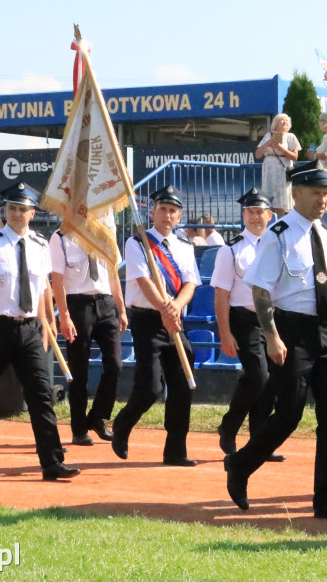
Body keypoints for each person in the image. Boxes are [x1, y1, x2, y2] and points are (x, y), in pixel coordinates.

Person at [224, 160, 327, 521]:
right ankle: (241, 465)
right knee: (289, 414)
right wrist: (271, 337)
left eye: (326, 192)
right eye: (316, 192)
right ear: (295, 193)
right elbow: (260, 290)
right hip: (292, 333)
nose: (323, 199)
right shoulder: (278, 234)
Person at [0, 182, 78, 481]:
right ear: (4, 211)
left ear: (32, 213)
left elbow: (43, 286)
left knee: (41, 395)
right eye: (12, 209)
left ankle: (51, 462)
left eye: (23, 209)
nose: (17, 214)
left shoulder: (40, 244)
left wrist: (48, 319)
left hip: (30, 329)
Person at [111, 185, 200, 466]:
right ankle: (122, 424)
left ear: (179, 217)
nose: (167, 214)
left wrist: (175, 307)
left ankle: (175, 450)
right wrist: (164, 308)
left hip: (175, 320)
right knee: (150, 388)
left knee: (182, 385)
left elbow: (190, 283)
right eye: (163, 209)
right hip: (148, 320)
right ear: (152, 212)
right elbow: (143, 281)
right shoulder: (138, 243)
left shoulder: (185, 247)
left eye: (173, 211)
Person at [212, 187, 282, 461]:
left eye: (260, 212)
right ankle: (229, 427)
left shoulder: (277, 246)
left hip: (273, 320)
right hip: (244, 319)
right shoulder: (231, 250)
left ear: (269, 215)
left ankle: (259, 442)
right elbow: (221, 294)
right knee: (259, 376)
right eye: (250, 212)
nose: (255, 217)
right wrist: (225, 333)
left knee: (271, 381)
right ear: (243, 215)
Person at [50, 228, 128, 446]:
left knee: (115, 365)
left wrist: (121, 309)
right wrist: (64, 315)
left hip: (105, 303)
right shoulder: (61, 237)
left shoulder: (105, 235)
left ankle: (97, 417)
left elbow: (113, 275)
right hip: (77, 304)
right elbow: (57, 280)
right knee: (79, 370)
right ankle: (78, 428)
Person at [255, 113, 302, 217]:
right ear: (275, 123)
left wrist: (281, 148)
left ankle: (282, 218)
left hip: (283, 169)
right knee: (269, 195)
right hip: (269, 168)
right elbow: (258, 155)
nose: (285, 122)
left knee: (282, 197)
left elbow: (295, 156)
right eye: (282, 120)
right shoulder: (268, 135)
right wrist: (266, 145)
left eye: (286, 120)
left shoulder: (291, 137)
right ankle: (270, 219)